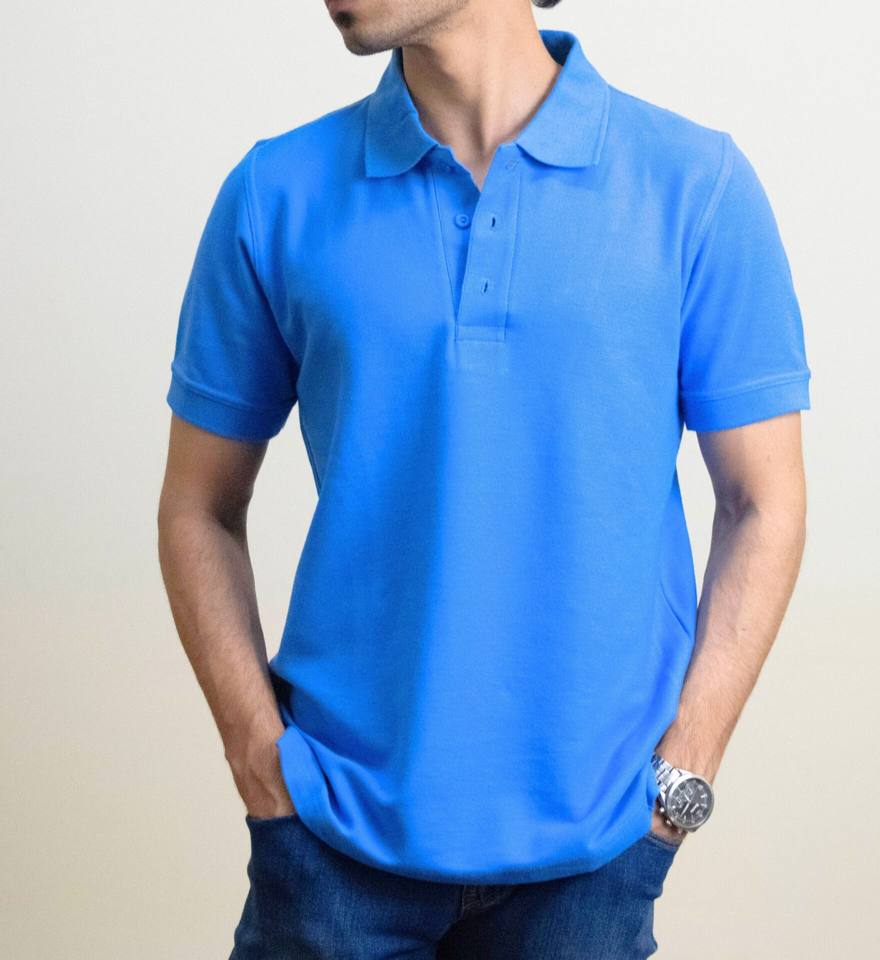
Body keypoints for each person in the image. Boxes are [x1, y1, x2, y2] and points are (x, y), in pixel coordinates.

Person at [157, 1, 811, 956]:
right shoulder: (275, 192)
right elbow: (197, 506)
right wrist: (262, 765)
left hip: (594, 862)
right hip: (328, 852)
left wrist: (682, 781)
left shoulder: (694, 186)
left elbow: (763, 503)